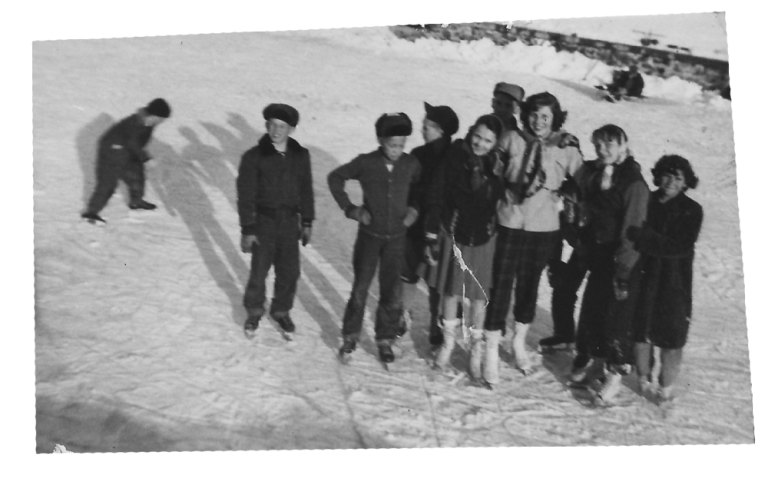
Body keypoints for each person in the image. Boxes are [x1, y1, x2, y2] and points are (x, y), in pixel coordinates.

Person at [485, 92, 583, 383]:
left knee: (529, 286)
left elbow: (583, 180)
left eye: (545, 117)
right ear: (525, 113)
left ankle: (518, 341)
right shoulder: (511, 138)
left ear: (555, 119)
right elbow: (493, 172)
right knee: (501, 283)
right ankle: (491, 347)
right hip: (510, 221)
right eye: (534, 114)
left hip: (544, 227)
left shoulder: (565, 145)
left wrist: (566, 195)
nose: (538, 121)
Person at [328, 113, 421, 364]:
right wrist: (352, 209)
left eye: (401, 145)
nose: (397, 150)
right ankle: (350, 335)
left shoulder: (410, 164)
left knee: (391, 291)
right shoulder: (366, 162)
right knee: (360, 288)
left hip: (396, 239)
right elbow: (335, 178)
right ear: (380, 140)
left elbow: (421, 190)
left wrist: (414, 210)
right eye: (392, 145)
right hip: (369, 237)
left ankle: (385, 339)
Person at [571, 124, 650, 404]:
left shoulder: (633, 182)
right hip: (600, 258)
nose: (602, 150)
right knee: (594, 311)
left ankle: (615, 375)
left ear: (623, 146)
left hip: (622, 262)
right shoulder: (597, 173)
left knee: (617, 319)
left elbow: (634, 229)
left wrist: (624, 267)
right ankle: (595, 363)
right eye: (598, 145)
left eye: (609, 144)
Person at [424, 115, 505, 381]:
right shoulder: (455, 157)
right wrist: (432, 230)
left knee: (478, 295)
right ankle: (448, 344)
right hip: (455, 232)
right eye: (478, 137)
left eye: (488, 140)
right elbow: (436, 193)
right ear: (471, 133)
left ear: (495, 143)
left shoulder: (496, 165)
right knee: (452, 291)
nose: (481, 143)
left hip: (483, 236)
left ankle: (475, 349)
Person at [237, 103, 315, 338]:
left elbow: (306, 189)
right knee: (259, 270)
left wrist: (308, 221)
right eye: (272, 125)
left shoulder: (301, 156)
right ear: (266, 126)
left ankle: (281, 310)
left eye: (282, 126)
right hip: (264, 221)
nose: (276, 130)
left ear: (291, 129)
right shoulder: (254, 156)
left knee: (289, 271)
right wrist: (248, 228)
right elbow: (246, 195)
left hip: (290, 222)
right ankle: (254, 309)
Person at [631, 155, 703, 403]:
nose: (671, 181)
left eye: (678, 177)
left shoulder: (692, 210)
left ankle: (666, 388)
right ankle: (643, 379)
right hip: (642, 276)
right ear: (658, 175)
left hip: (674, 283)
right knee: (641, 332)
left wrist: (644, 238)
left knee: (672, 338)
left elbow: (679, 247)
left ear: (686, 182)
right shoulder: (646, 201)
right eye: (666, 174)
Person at [399, 102, 460, 346]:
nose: (423, 129)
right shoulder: (418, 154)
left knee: (436, 278)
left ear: (443, 130)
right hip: (416, 223)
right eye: (424, 125)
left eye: (429, 126)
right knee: (409, 272)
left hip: (439, 226)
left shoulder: (453, 156)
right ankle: (402, 314)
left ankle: (437, 320)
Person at [82, 98, 171, 223]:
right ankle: (91, 212)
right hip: (110, 151)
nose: (161, 122)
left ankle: (136, 201)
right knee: (107, 184)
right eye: (161, 118)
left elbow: (136, 143)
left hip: (126, 150)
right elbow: (133, 142)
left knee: (136, 174)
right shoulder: (136, 123)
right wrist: (146, 159)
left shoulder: (149, 122)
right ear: (154, 115)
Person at [539, 175, 590, 352]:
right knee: (563, 289)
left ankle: (600, 347)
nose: (566, 206)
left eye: (570, 201)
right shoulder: (561, 215)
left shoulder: (590, 212)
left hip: (601, 252)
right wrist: (554, 267)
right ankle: (564, 334)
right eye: (563, 200)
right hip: (581, 251)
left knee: (597, 299)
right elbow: (556, 240)